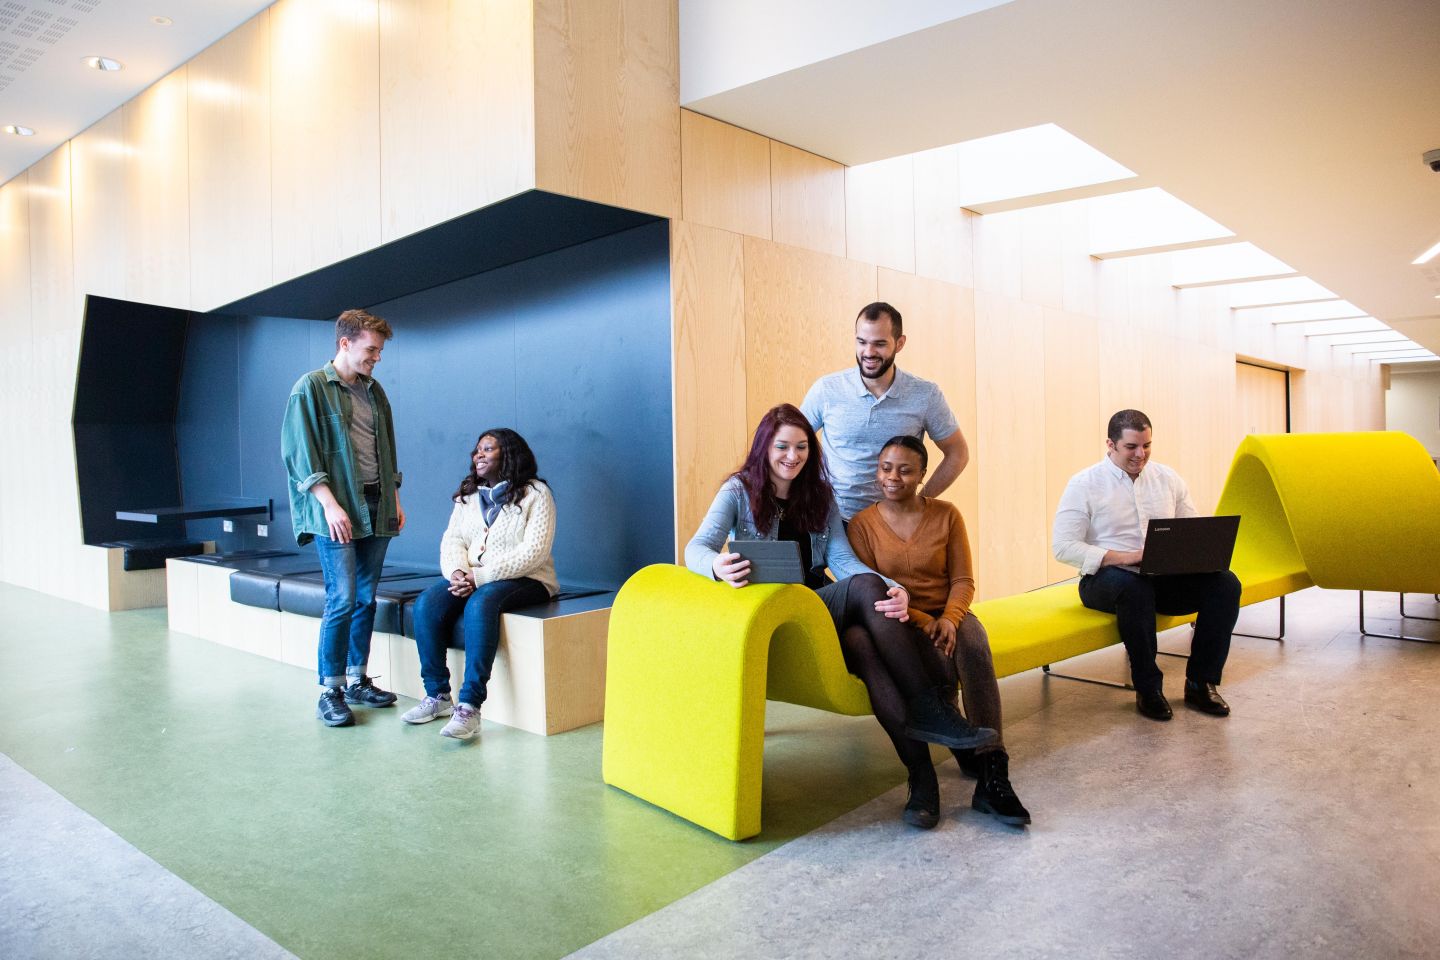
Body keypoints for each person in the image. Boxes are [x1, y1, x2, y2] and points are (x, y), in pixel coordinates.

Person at [686, 403, 996, 830]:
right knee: (862, 642)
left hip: (816, 604)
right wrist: (716, 566)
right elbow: (696, 549)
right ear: (764, 447)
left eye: (801, 447)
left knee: (864, 620)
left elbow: (844, 562)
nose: (792, 456)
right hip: (771, 613)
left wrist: (895, 589)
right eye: (782, 446)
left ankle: (922, 781)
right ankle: (932, 708)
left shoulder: (819, 495)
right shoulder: (738, 491)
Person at [848, 436, 1030, 826]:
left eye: (904, 469)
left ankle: (993, 770)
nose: (892, 477)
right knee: (935, 659)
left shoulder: (947, 514)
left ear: (922, 475)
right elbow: (873, 591)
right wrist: (922, 619)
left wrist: (948, 618)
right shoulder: (862, 525)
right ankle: (946, 751)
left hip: (950, 613)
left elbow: (963, 579)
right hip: (897, 621)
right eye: (885, 468)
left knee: (974, 642)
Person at [1052, 409, 1240, 721]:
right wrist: (1127, 557)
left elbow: (1190, 530)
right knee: (1134, 588)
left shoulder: (1167, 478)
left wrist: (1199, 555)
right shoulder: (1084, 483)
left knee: (1225, 584)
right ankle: (1148, 688)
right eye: (1131, 447)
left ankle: (1200, 683)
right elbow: (1063, 547)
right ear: (1110, 445)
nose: (1141, 454)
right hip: (1104, 580)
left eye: (1147, 446)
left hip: (1159, 578)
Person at [281, 308, 406, 727]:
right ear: (345, 343)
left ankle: (357, 679)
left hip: (377, 505)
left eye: (380, 350)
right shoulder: (310, 388)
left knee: (366, 598)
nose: (377, 357)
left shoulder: (374, 391)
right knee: (342, 597)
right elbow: (299, 455)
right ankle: (330, 690)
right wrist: (330, 504)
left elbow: (385, 447)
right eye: (371, 349)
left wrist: (394, 497)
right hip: (336, 509)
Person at [402, 429, 558, 741]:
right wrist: (458, 574)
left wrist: (479, 577)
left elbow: (533, 552)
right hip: (474, 578)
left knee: (482, 603)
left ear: (509, 454)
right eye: (477, 451)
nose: (479, 455)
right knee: (428, 603)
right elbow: (453, 541)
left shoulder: (536, 494)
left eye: (488, 449)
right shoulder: (469, 497)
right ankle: (438, 696)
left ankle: (470, 707)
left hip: (528, 580)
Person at [801, 301, 969, 520]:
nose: (868, 352)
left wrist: (920, 502)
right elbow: (790, 443)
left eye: (879, 344)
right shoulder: (827, 389)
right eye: (862, 342)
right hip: (832, 521)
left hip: (892, 524)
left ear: (899, 343)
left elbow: (958, 453)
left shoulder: (925, 394)